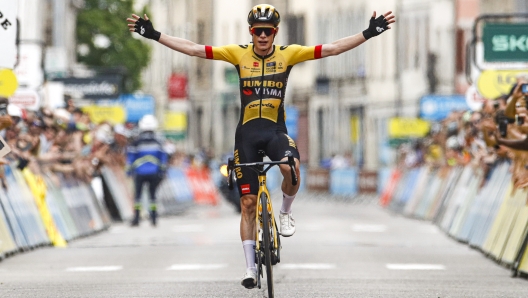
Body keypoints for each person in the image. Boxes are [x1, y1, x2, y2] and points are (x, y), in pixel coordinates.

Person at [127, 4, 395, 288]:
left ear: (275, 33)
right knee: (247, 202)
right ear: (251, 33)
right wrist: (155, 35)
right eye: (258, 32)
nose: (263, 37)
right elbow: (193, 48)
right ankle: (250, 268)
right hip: (246, 135)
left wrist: (368, 33)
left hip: (275, 131)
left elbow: (332, 48)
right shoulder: (237, 53)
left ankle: (286, 212)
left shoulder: (288, 54)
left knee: (291, 167)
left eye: (268, 32)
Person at [126, 115, 168, 227]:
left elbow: (130, 158)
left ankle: (136, 219)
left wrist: (129, 171)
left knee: (138, 197)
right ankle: (153, 218)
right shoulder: (158, 142)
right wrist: (162, 171)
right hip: (154, 173)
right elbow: (163, 158)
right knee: (153, 196)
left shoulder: (136, 142)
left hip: (139, 173)